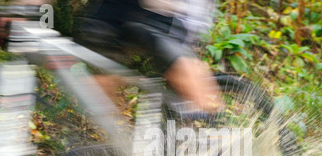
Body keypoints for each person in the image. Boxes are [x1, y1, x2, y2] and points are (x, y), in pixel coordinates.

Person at [77, 0, 223, 114]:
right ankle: (115, 140)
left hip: (165, 13)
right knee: (99, 73)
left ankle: (215, 128)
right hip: (115, 9)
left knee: (175, 60)